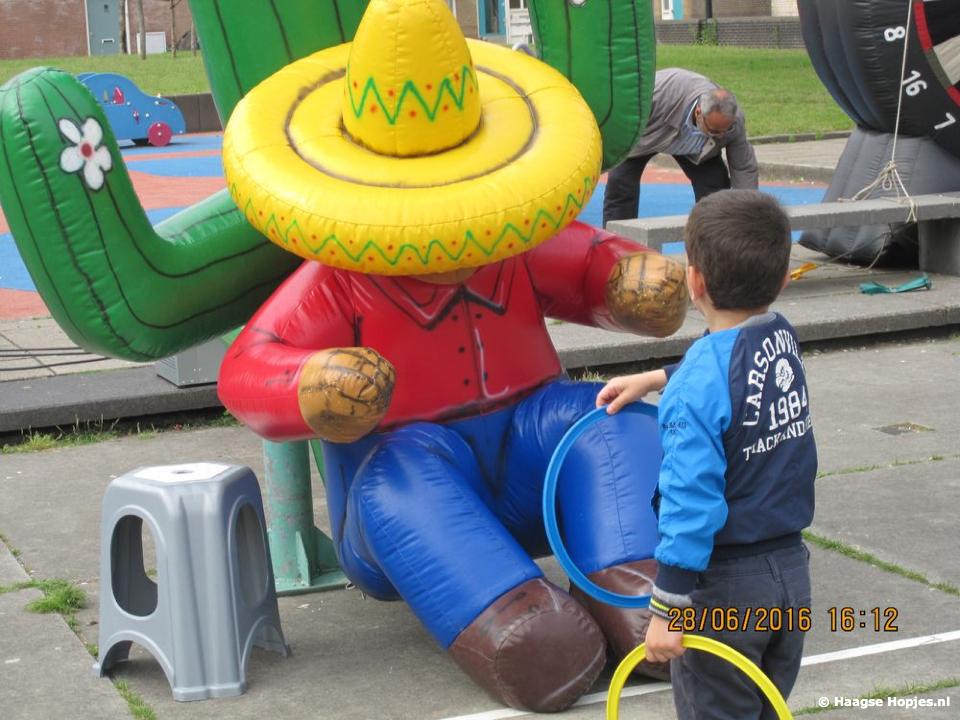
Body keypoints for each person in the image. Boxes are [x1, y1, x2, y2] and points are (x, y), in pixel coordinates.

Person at [596, 189, 816, 719]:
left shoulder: (701, 382)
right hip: (790, 581)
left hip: (727, 593)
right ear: (783, 279)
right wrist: (655, 379)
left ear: (693, 281)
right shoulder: (781, 337)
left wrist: (669, 609)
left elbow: (689, 501)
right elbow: (734, 375)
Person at [602, 68, 759, 226]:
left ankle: (714, 237)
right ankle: (617, 241)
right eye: (714, 131)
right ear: (699, 113)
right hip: (649, 133)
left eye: (725, 130)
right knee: (621, 184)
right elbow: (620, 119)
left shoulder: (733, 122)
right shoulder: (655, 96)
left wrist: (745, 214)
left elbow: (743, 168)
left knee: (715, 188)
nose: (720, 136)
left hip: (695, 149)